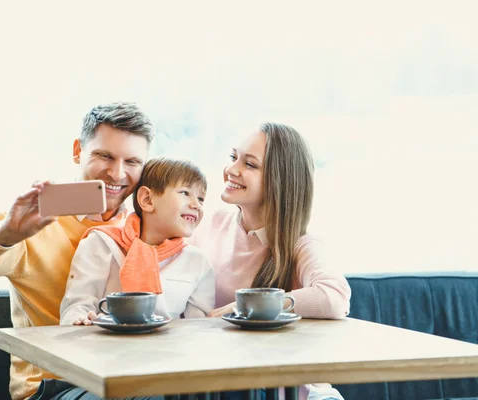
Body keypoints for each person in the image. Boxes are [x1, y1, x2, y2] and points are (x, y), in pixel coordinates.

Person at [0, 102, 154, 400]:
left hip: (125, 381)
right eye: (104, 156)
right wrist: (6, 233)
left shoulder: (145, 229)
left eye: (132, 162)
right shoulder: (35, 222)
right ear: (78, 151)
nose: (117, 173)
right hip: (53, 387)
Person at [195, 123, 351, 400]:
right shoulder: (213, 224)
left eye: (250, 164)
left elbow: (335, 296)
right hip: (228, 385)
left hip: (300, 393)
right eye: (234, 157)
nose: (231, 170)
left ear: (281, 180)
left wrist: (254, 305)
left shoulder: (300, 244)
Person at [60, 157, 215, 327]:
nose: (196, 205)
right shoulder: (101, 243)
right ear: (147, 200)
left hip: (167, 350)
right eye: (185, 193)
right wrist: (80, 320)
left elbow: (197, 327)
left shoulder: (198, 261)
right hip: (103, 347)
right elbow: (76, 306)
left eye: (201, 199)